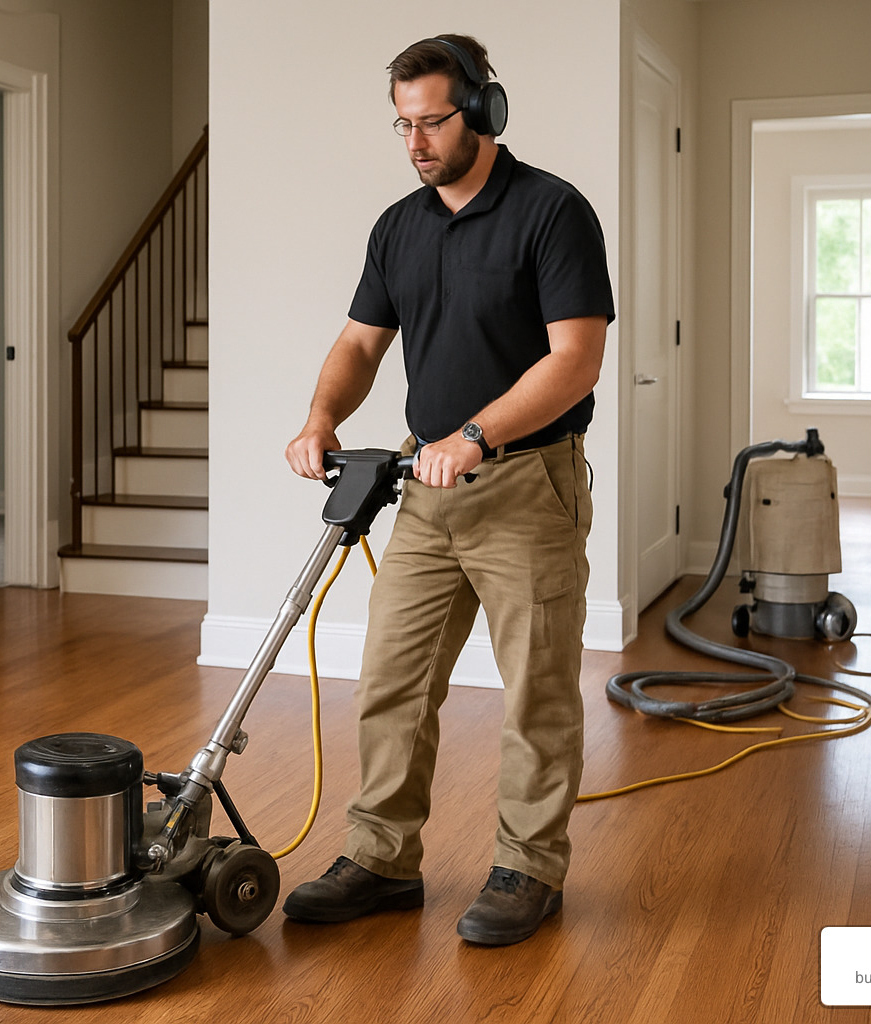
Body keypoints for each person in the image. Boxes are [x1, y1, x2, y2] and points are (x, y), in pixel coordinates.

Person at [281, 34, 615, 946]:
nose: (417, 141)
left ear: (484, 112)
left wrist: (475, 435)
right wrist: (321, 421)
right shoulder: (399, 225)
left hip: (525, 486)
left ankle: (528, 868)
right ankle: (383, 859)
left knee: (535, 692)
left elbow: (576, 361)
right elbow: (359, 344)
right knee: (391, 680)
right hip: (425, 487)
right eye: (404, 124)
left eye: (433, 121)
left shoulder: (552, 213)